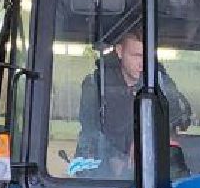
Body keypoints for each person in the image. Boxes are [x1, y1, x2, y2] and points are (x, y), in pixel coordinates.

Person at [74, 27, 191, 176]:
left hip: (151, 162)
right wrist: (113, 157)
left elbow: (173, 125)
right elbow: (90, 131)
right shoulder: (95, 85)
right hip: (103, 165)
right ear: (119, 51)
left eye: (147, 56)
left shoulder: (162, 83)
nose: (143, 63)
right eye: (136, 55)